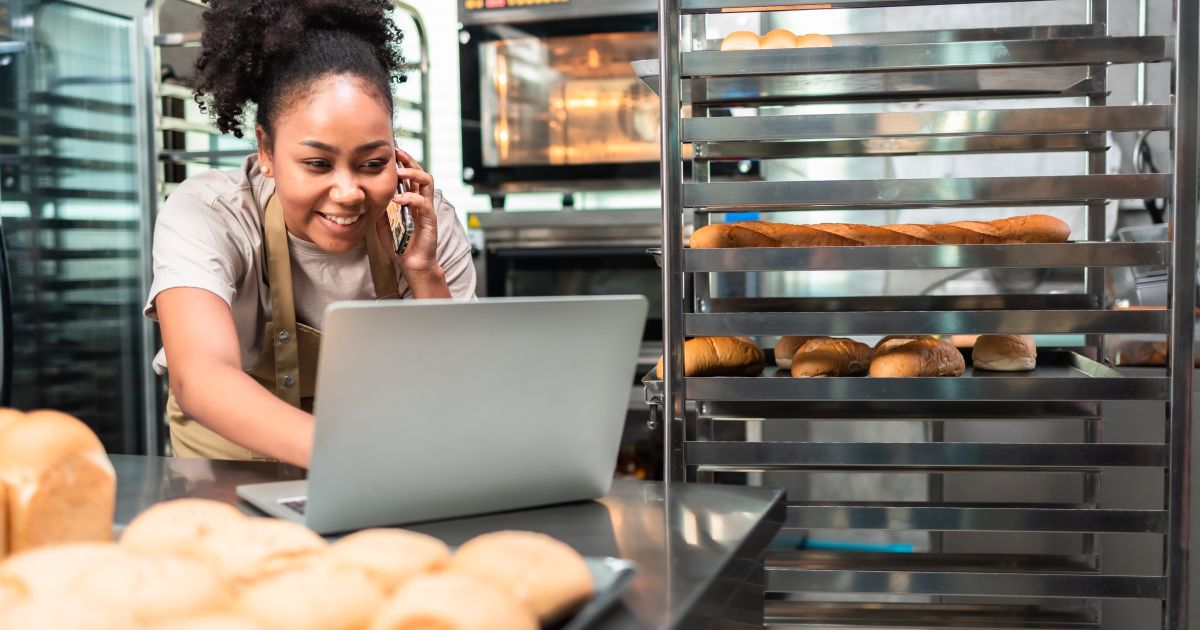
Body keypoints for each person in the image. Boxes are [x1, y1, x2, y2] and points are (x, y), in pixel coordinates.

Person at [143, 0, 475, 468]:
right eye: (317, 164)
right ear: (266, 150)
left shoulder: (422, 223)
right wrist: (350, 455)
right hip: (228, 480)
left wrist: (423, 272)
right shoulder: (211, 213)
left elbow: (460, 386)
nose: (348, 192)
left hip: (378, 474)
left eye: (372, 163)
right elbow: (200, 376)